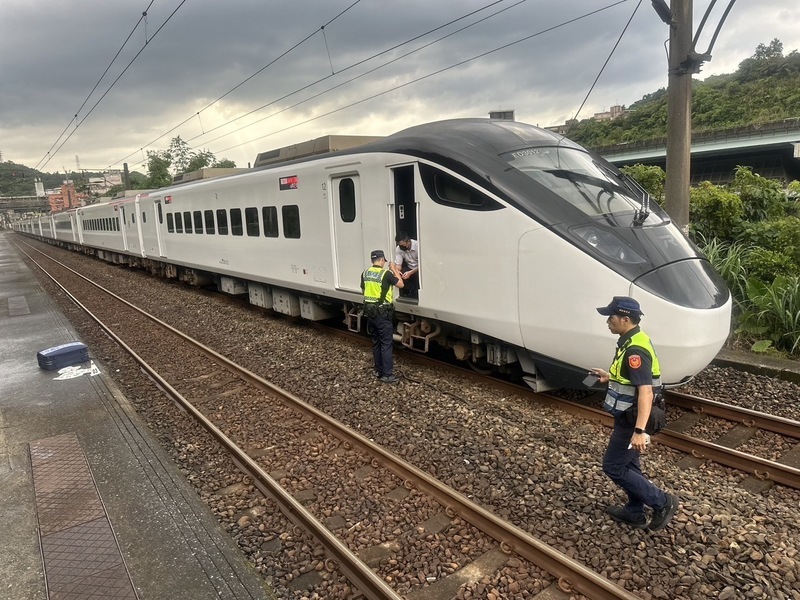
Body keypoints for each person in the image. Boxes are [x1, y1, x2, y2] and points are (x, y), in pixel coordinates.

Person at [590, 296, 679, 531]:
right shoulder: (631, 340)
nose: (607, 321)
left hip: (632, 419)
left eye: (611, 317)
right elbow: (631, 379)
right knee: (629, 465)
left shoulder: (635, 350)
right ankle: (634, 512)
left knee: (613, 466)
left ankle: (662, 502)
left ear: (625, 319)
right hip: (626, 414)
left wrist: (639, 431)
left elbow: (646, 391)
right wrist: (609, 377)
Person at [361, 249, 404, 384]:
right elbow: (401, 284)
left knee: (376, 342)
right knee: (386, 344)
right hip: (382, 314)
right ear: (381, 260)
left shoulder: (365, 273)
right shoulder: (386, 274)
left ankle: (378, 370)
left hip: (370, 313)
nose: (384, 263)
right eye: (384, 261)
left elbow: (363, 290)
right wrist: (394, 269)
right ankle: (387, 375)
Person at [393, 232, 419, 299]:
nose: (402, 247)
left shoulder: (418, 246)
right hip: (409, 268)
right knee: (398, 274)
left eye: (403, 245)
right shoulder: (399, 249)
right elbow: (398, 264)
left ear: (408, 241)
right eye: (400, 246)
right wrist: (397, 271)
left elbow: (423, 265)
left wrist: (410, 273)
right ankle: (412, 290)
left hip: (419, 269)